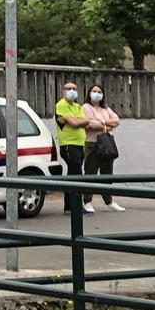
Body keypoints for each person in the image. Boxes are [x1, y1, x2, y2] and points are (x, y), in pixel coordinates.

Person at [80, 83, 124, 211]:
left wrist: (102, 123)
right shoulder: (86, 107)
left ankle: (109, 201)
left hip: (106, 143)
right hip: (92, 143)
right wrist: (106, 126)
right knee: (90, 172)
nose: (97, 93)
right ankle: (87, 201)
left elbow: (116, 120)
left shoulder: (105, 108)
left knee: (107, 173)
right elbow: (89, 125)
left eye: (99, 91)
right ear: (89, 93)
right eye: (94, 91)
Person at [52, 81, 93, 215]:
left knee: (71, 175)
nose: (72, 91)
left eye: (74, 88)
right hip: (69, 145)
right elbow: (75, 123)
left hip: (80, 144)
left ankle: (69, 206)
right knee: (77, 175)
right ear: (63, 91)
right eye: (69, 88)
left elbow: (85, 123)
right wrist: (78, 121)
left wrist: (79, 121)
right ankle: (76, 206)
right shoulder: (61, 105)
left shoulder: (77, 106)